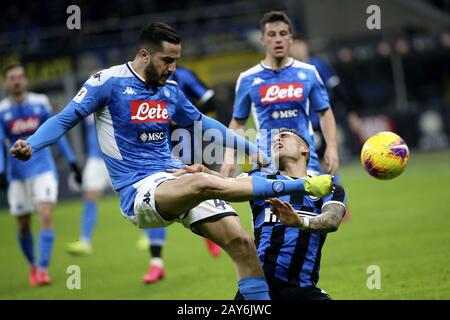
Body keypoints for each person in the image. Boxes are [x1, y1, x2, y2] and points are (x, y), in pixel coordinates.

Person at [10, 22, 333, 299]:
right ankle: (300, 184)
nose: (172, 68)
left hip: (173, 176)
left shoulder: (171, 91)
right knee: (205, 180)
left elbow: (205, 126)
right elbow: (66, 118)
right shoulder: (106, 83)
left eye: (176, 60)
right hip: (139, 190)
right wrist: (33, 143)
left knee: (243, 244)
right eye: (167, 60)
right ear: (144, 54)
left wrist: (252, 150)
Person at [220, 11, 339, 179]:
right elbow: (238, 122)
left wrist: (332, 147)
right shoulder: (247, 79)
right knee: (270, 206)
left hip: (304, 164)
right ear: (263, 40)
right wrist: (228, 158)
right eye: (271, 34)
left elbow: (325, 112)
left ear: (290, 39)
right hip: (265, 165)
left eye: (283, 34)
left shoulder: (309, 73)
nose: (278, 39)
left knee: (306, 205)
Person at [0, 63, 82, 286]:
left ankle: (43, 270)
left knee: (46, 215)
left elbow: (57, 132)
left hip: (43, 169)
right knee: (23, 225)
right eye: (12, 77)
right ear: (6, 82)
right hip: (17, 174)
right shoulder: (1, 110)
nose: (17, 80)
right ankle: (34, 265)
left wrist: (73, 162)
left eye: (20, 76)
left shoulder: (40, 102)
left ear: (25, 80)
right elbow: (0, 142)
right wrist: (0, 170)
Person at [139, 66, 221, 284]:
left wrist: (183, 117)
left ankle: (211, 232)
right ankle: (156, 263)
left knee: (197, 188)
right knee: (151, 197)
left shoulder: (184, 76)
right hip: (155, 149)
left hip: (186, 142)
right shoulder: (140, 84)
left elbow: (210, 100)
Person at [290, 38, 360, 220]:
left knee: (327, 162)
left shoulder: (318, 65)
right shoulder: (288, 70)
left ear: (306, 46)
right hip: (298, 127)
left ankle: (338, 204)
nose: (297, 49)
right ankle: (310, 206)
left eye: (300, 44)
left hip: (319, 124)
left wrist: (352, 113)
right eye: (294, 46)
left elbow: (338, 90)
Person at [65, 114, 112, 255]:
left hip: (116, 157)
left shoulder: (117, 96)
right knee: (90, 198)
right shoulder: (89, 99)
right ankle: (85, 241)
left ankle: (151, 236)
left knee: (133, 197)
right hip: (95, 158)